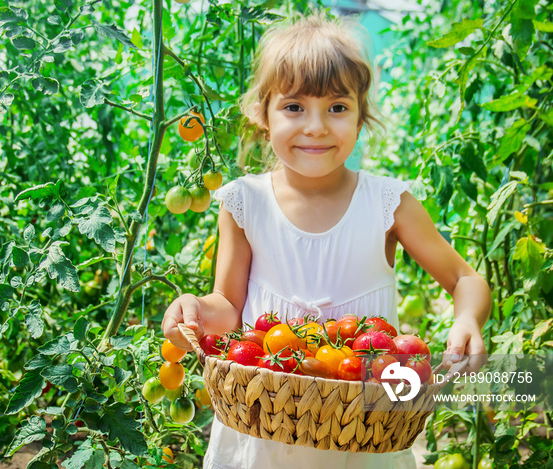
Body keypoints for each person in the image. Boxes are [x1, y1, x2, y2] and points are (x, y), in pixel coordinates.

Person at [161, 12, 491, 469]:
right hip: (264, 428)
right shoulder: (244, 202)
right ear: (263, 113)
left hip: (363, 433)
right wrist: (194, 308)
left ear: (360, 115)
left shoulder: (388, 203)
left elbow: (464, 278)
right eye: (294, 107)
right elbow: (228, 305)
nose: (316, 127)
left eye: (337, 107)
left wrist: (468, 319)